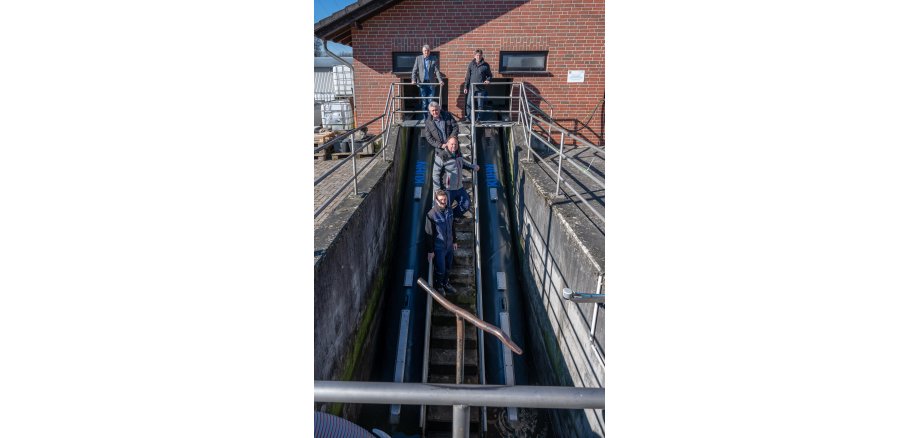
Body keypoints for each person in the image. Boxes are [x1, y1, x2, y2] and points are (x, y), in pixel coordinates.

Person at [433, 136, 479, 221]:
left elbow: (462, 163)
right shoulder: (442, 156)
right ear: (447, 144)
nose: (454, 146)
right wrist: (438, 191)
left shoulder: (458, 153)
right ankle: (447, 222)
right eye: (452, 144)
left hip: (459, 187)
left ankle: (452, 217)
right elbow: (435, 174)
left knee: (466, 204)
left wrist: (473, 167)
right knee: (445, 208)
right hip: (447, 189)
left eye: (455, 144)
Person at [425, 190, 458, 294]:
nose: (443, 202)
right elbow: (429, 234)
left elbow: (452, 226)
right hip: (439, 248)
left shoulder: (449, 210)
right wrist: (431, 251)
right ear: (436, 200)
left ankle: (446, 283)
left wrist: (454, 241)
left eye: (445, 200)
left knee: (448, 267)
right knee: (441, 269)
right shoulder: (431, 215)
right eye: (441, 200)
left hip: (449, 246)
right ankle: (439, 286)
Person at [411, 45, 443, 119]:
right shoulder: (418, 58)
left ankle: (430, 118)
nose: (426, 52)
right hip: (422, 83)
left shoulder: (433, 59)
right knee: (424, 102)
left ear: (429, 51)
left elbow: (437, 71)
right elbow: (414, 70)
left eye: (428, 51)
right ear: (422, 51)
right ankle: (426, 119)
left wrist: (440, 80)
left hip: (431, 83)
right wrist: (413, 79)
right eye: (425, 51)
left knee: (431, 101)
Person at [462, 49, 492, 122]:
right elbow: (468, 77)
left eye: (480, 55)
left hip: (481, 89)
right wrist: (465, 87)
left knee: (480, 105)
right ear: (474, 56)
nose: (478, 57)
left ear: (482, 56)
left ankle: (479, 119)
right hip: (471, 88)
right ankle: (469, 119)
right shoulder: (471, 64)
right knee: (469, 104)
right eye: (477, 55)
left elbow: (490, 75)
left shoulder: (485, 65)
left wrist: (488, 80)